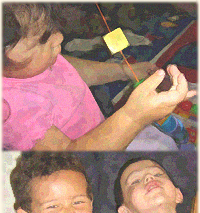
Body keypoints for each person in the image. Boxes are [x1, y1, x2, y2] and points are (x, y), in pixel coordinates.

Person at [3, 3, 196, 153]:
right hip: (93, 155)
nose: (59, 38)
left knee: (159, 138)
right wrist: (133, 117)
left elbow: (70, 70)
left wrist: (123, 71)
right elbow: (71, 155)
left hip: (104, 128)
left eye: (50, 28)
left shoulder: (39, 61)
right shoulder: (14, 111)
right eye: (42, 40)